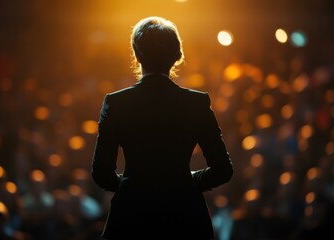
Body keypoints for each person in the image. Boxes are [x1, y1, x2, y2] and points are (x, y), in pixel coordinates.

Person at [91, 16, 233, 240]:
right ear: (177, 56)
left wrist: (132, 185)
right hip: (185, 217)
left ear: (136, 55)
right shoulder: (196, 102)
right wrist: (188, 180)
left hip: (131, 217)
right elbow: (223, 170)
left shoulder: (116, 103)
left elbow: (101, 173)